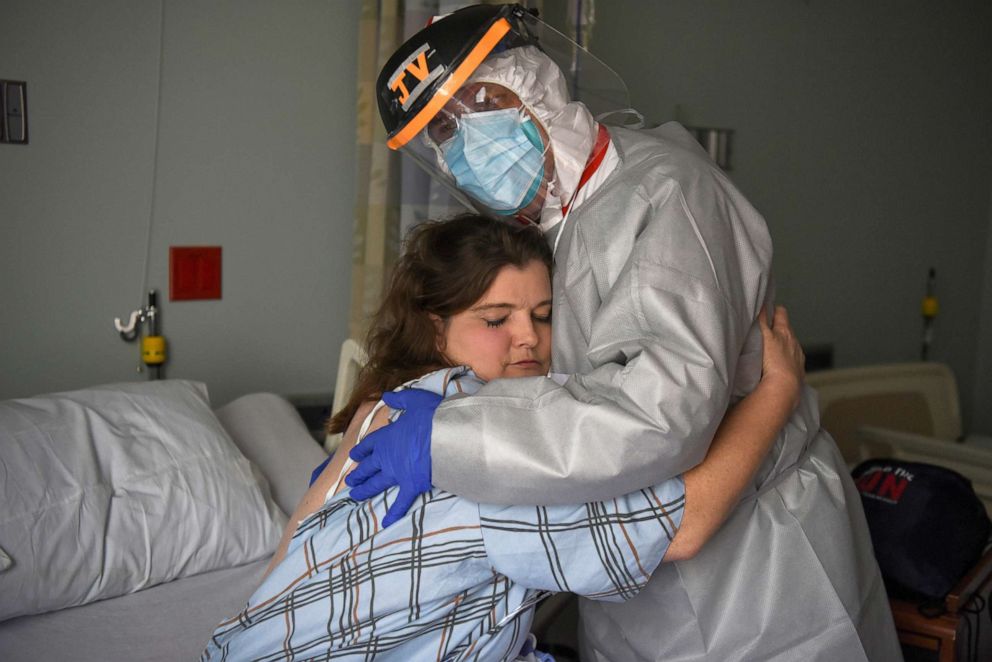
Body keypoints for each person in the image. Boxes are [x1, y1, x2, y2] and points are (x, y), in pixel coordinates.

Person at [350, 4, 902, 661]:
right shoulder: (564, 225)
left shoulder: (669, 196)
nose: (466, 142)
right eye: (443, 130)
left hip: (758, 573)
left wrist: (448, 434)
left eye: (481, 104)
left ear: (535, 83)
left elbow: (655, 419)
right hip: (639, 584)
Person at [203, 215, 806, 661]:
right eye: (495, 320)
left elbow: (286, 559)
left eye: (543, 316)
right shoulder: (479, 434)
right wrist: (776, 395)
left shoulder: (379, 409)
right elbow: (683, 525)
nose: (528, 340)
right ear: (435, 329)